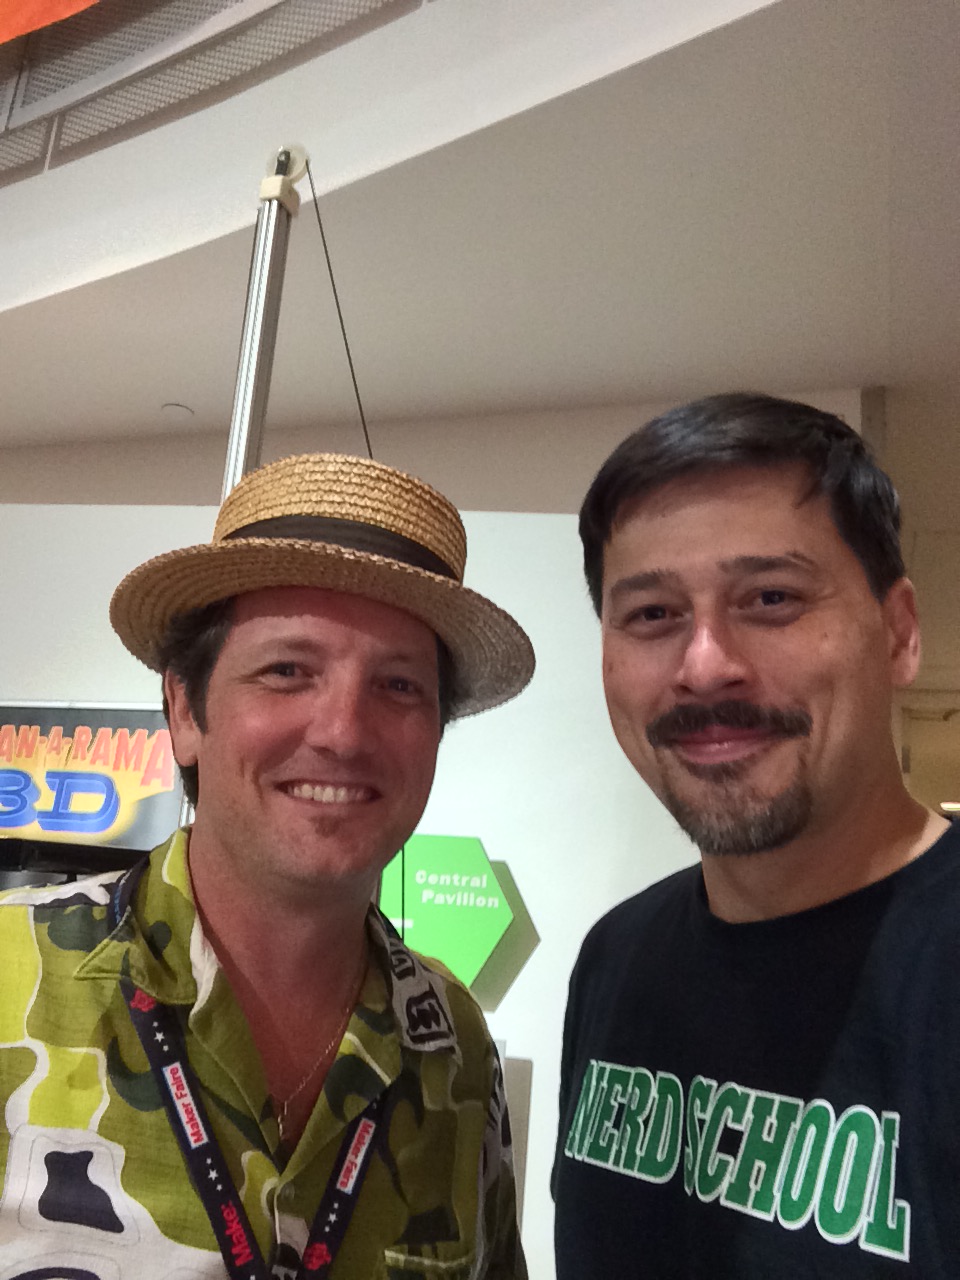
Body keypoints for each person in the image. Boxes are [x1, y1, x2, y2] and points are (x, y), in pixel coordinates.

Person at [0, 452, 533, 1277]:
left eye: (399, 686)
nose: (344, 733)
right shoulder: (12, 973)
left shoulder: (453, 1045)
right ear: (184, 709)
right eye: (288, 671)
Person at [553, 393, 960, 1277]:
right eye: (652, 614)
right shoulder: (616, 958)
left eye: (771, 598)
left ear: (899, 635)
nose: (705, 667)